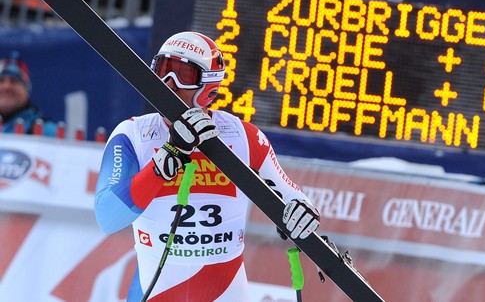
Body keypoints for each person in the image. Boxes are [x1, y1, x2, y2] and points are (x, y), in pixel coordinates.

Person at [94, 31, 320, 302]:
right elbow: (107, 217)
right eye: (164, 69)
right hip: (157, 289)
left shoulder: (242, 136)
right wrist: (162, 164)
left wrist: (303, 214)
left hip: (225, 291)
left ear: (208, 90)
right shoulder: (133, 134)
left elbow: (293, 197)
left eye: (183, 75)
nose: (169, 83)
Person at [0, 51, 58, 136]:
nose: (6, 87)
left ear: (26, 90)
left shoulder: (47, 131)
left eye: (14, 81)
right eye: (1, 81)